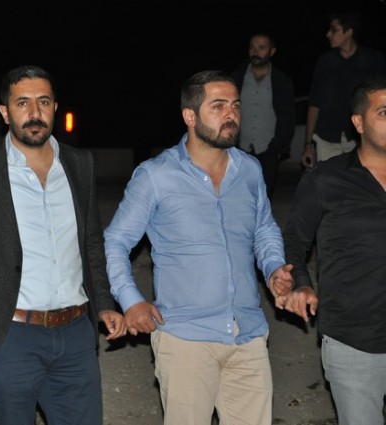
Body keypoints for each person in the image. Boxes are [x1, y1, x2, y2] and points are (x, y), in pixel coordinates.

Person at [0, 64, 126, 425]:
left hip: (76, 334)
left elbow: (91, 242)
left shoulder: (79, 163)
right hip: (11, 336)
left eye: (43, 102)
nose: (35, 113)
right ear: (5, 112)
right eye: (23, 103)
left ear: (55, 108)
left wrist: (103, 303)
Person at [103, 70, 294, 425]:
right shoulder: (156, 175)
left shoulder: (250, 170)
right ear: (190, 116)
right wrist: (131, 300)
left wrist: (273, 268)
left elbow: (264, 228)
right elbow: (115, 241)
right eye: (218, 106)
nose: (231, 114)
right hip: (186, 338)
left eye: (235, 105)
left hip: (247, 333)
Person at [280, 74, 386, 425]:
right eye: (384, 113)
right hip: (355, 340)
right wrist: (301, 284)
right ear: (359, 122)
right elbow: (294, 242)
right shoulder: (326, 179)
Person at [301, 10, 386, 168]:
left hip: (359, 137)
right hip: (327, 136)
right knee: (329, 180)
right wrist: (308, 144)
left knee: (361, 180)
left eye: (333, 30)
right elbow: (314, 103)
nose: (328, 34)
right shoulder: (325, 62)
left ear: (349, 32)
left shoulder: (373, 60)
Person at [231, 32, 296, 199]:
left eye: (261, 48)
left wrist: (278, 147)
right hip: (240, 148)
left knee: (265, 196)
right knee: (240, 196)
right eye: (252, 47)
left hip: (269, 149)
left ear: (272, 51)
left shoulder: (281, 81)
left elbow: (288, 117)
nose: (255, 52)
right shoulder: (236, 78)